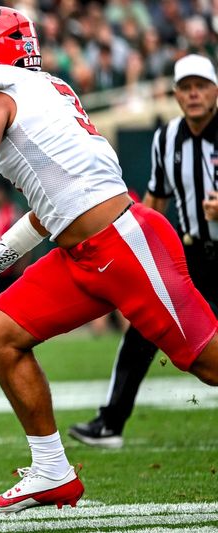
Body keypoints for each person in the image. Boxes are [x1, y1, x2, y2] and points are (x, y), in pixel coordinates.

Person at [0, 6, 218, 513]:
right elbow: (60, 197)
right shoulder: (44, 92)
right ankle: (52, 471)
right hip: (82, 253)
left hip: (124, 244)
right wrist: (6, 250)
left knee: (210, 365)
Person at [69, 54, 218, 449]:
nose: (194, 94)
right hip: (193, 254)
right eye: (186, 87)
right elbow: (155, 201)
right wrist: (136, 250)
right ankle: (110, 422)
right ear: (175, 94)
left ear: (215, 90)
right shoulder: (167, 138)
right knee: (143, 328)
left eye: (201, 86)